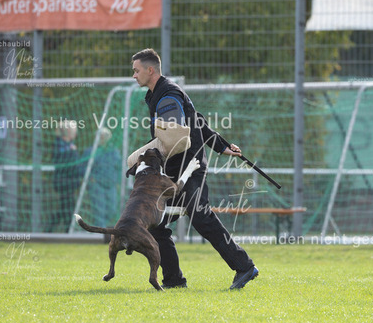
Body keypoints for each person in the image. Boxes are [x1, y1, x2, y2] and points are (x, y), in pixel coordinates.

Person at [130, 48, 259, 290]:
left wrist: (142, 155)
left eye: (136, 71)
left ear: (150, 70)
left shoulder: (168, 95)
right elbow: (196, 120)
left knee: (200, 216)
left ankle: (244, 267)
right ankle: (174, 280)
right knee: (156, 222)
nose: (134, 75)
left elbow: (176, 136)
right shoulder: (158, 94)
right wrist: (221, 146)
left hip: (190, 166)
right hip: (173, 170)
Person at [84, 127, 120, 241]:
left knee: (112, 210)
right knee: (99, 210)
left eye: (105, 137)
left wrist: (117, 181)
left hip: (111, 185)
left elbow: (119, 167)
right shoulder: (90, 151)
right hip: (96, 185)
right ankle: (100, 237)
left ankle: (104, 232)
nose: (102, 139)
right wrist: (91, 178)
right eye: (100, 137)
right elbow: (82, 168)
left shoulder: (114, 151)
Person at [50, 119, 82, 232]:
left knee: (65, 208)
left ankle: (53, 230)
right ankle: (67, 231)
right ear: (68, 131)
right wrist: (72, 152)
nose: (75, 132)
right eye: (74, 130)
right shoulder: (59, 145)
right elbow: (63, 162)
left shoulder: (70, 144)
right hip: (64, 182)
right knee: (67, 209)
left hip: (70, 182)